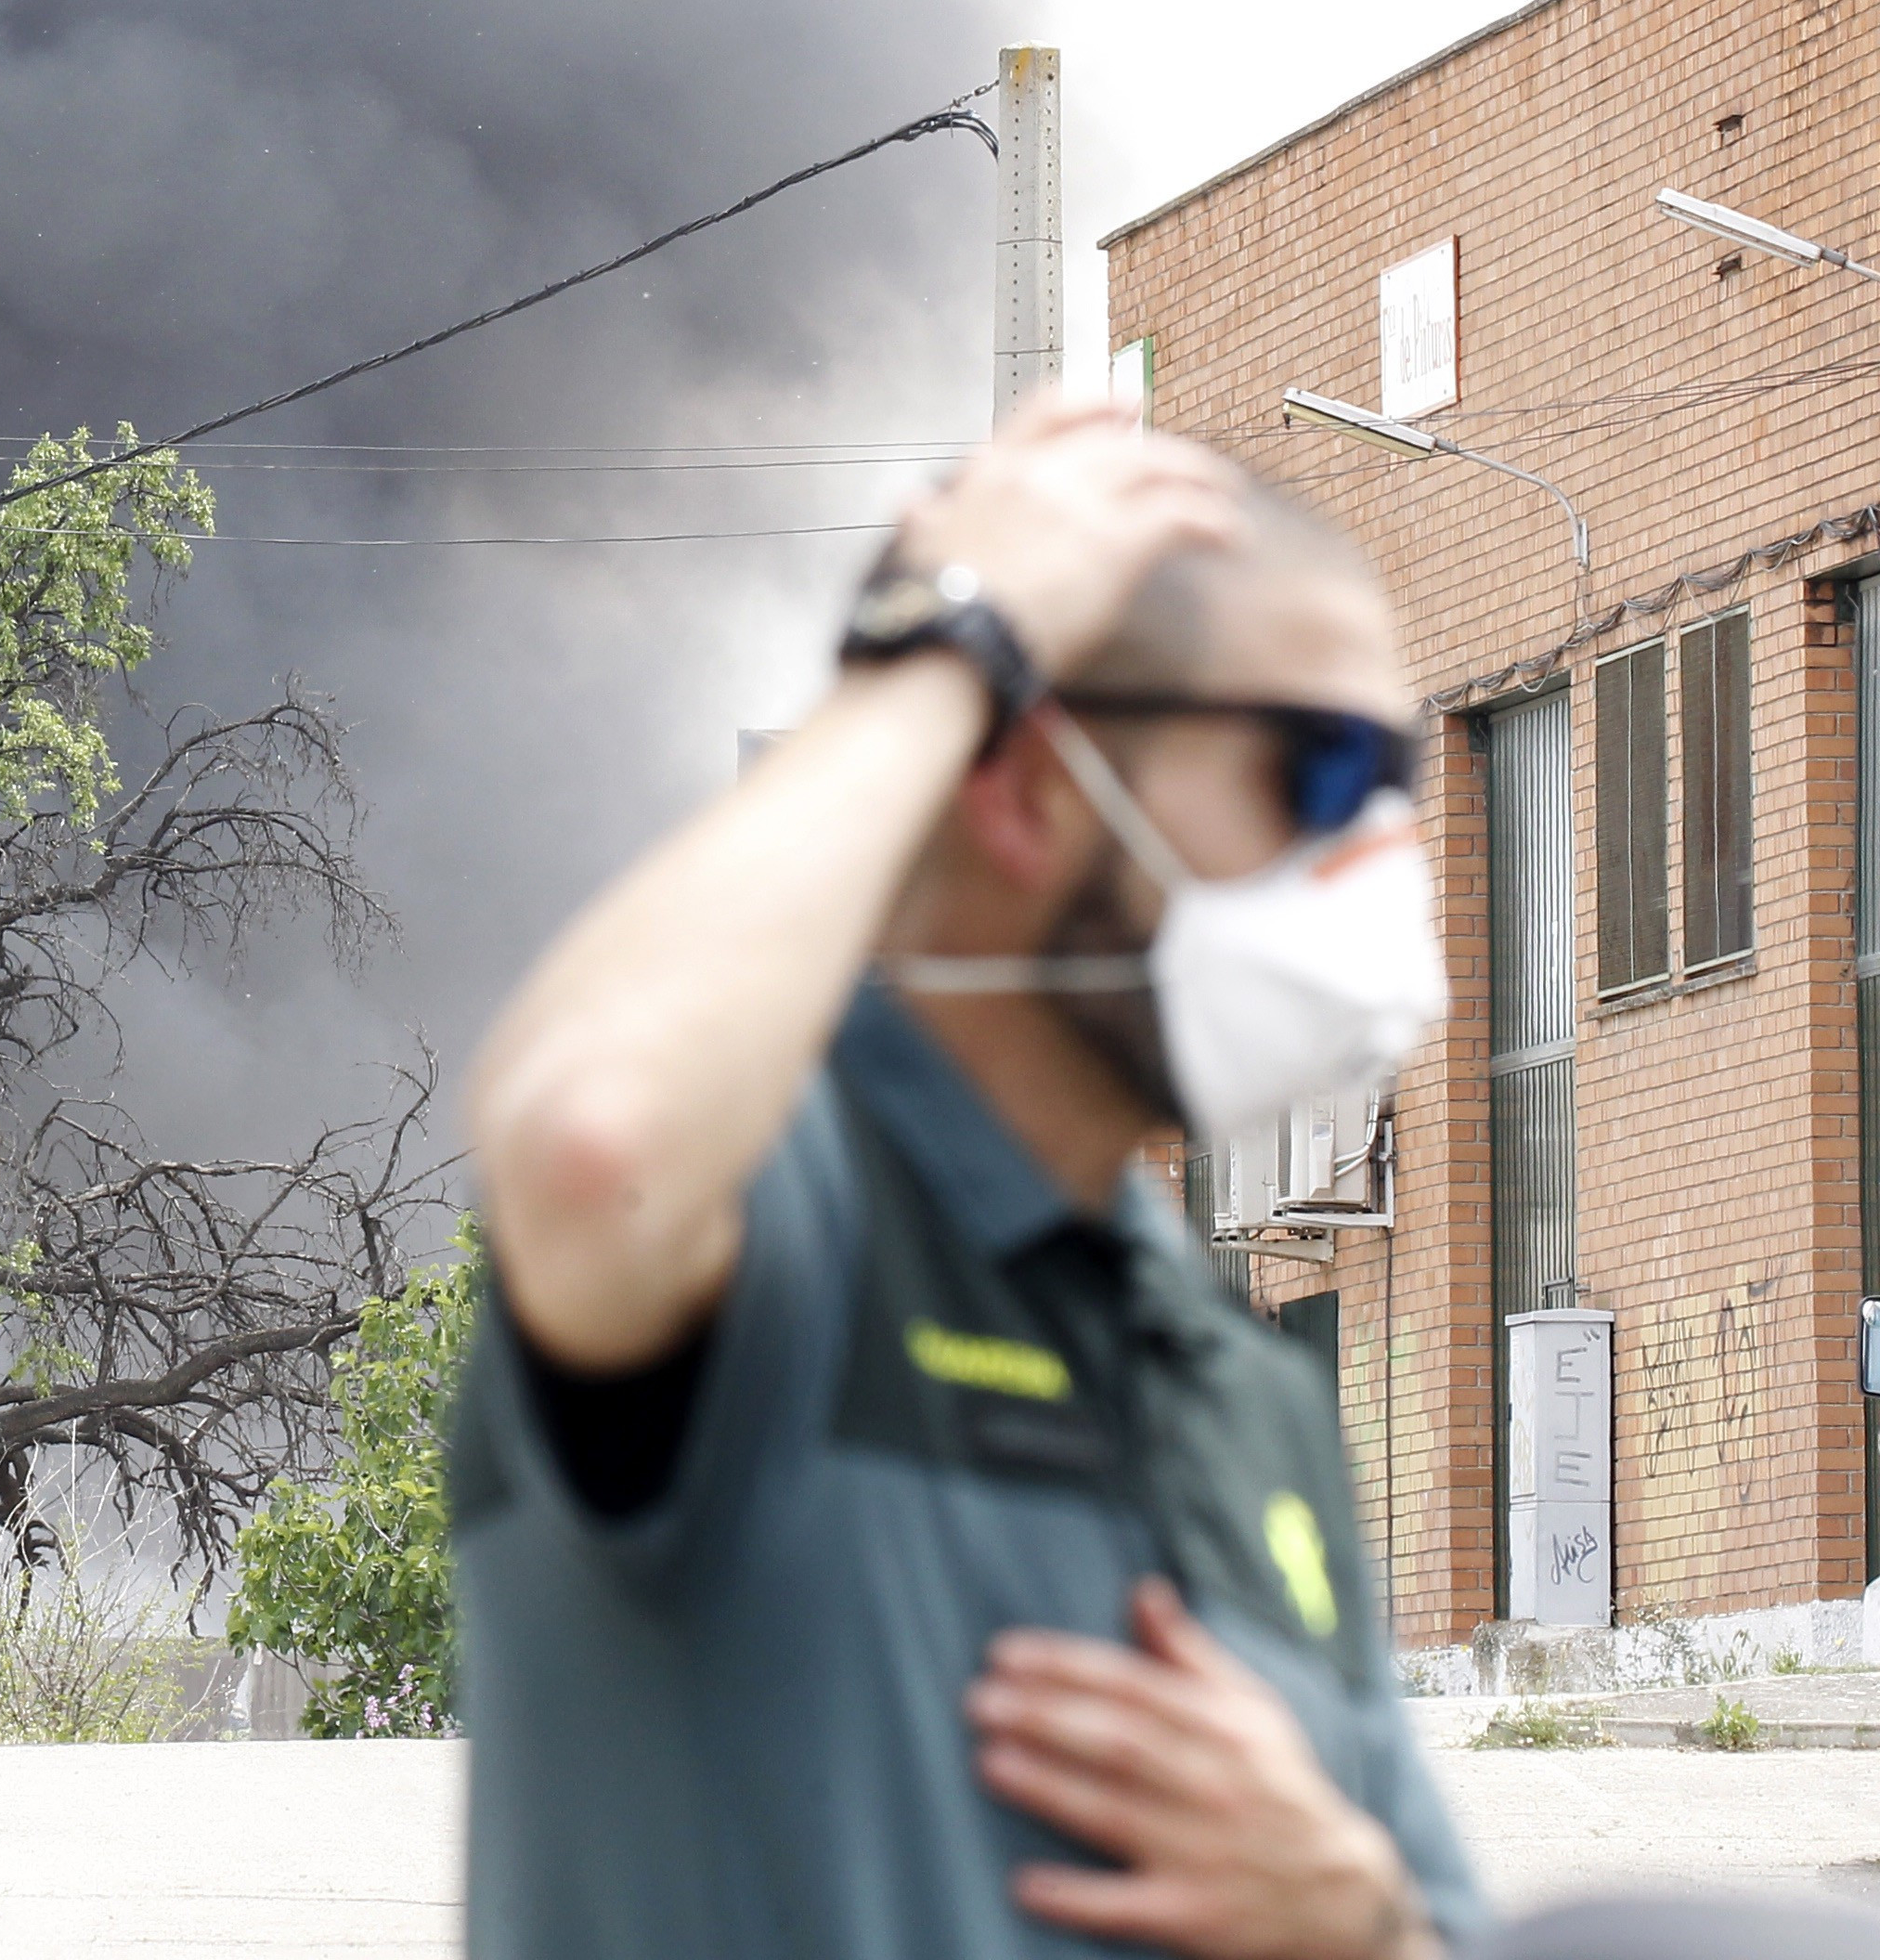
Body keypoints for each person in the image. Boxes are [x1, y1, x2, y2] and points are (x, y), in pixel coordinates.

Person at [455, 397, 1478, 1958]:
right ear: (1024, 780)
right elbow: (593, 1146)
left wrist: (1356, 1920)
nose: (1380, 863)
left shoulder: (1240, 1381)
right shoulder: (772, 1213)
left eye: (1402, 789)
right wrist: (942, 645)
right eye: (1321, 774)